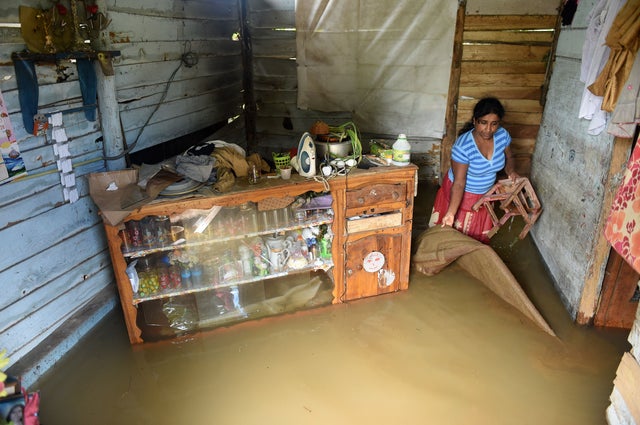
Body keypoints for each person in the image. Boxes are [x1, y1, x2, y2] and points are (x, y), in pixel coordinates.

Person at [429, 97, 518, 243]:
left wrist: (511, 171)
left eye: (494, 124)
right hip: (463, 193)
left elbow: (509, 156)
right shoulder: (463, 146)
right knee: (456, 237)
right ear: (474, 120)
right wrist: (451, 213)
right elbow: (459, 183)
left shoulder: (502, 135)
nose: (489, 129)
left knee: (477, 236)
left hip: (486, 193)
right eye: (483, 123)